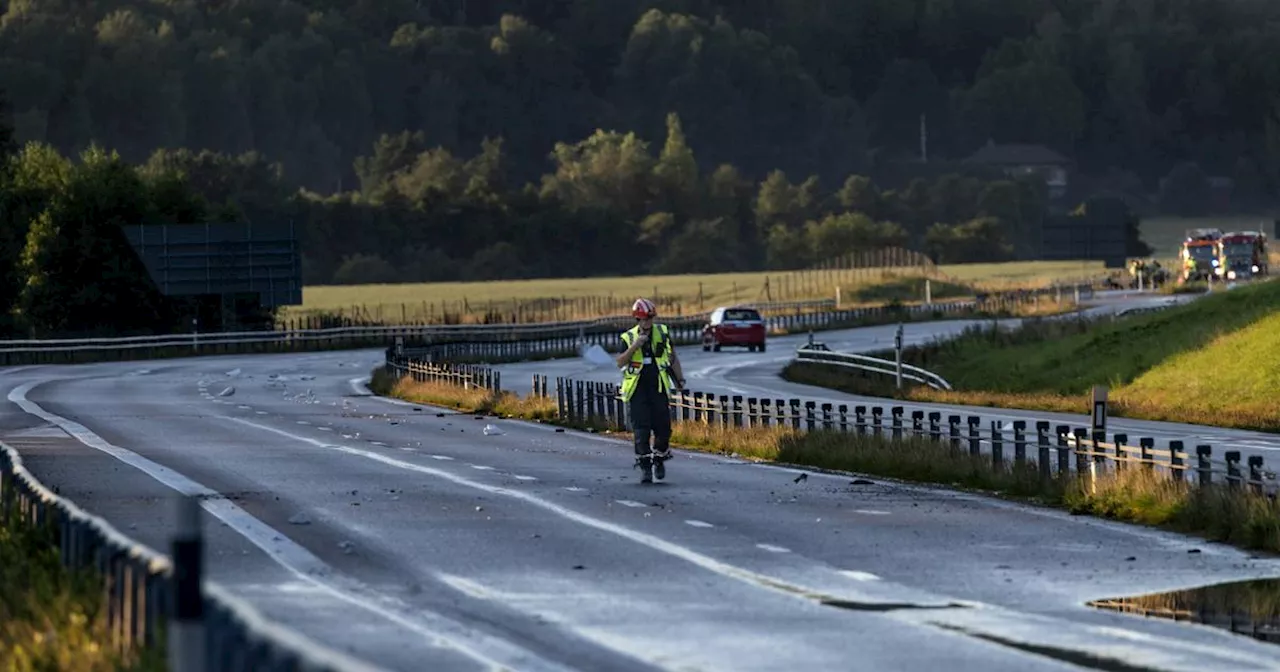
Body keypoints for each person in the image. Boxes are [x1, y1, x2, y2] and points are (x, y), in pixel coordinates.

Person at [615, 297, 686, 483]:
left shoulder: (662, 332)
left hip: (658, 387)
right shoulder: (628, 337)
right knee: (641, 430)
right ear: (637, 320)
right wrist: (635, 346)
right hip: (638, 391)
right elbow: (620, 362)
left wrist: (680, 379)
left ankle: (659, 458)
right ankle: (645, 467)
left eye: (650, 319)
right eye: (644, 319)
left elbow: (672, 358)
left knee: (663, 429)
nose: (647, 323)